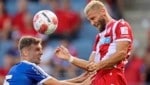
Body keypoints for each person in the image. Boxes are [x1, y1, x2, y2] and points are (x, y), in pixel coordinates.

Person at [55, 0, 133, 85]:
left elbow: (121, 53)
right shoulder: (99, 37)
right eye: (89, 21)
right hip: (97, 81)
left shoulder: (120, 25)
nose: (92, 23)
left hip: (113, 80)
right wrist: (70, 58)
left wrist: (98, 65)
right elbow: (90, 66)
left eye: (93, 18)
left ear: (103, 11)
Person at [3, 36, 92, 85]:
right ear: (26, 52)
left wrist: (79, 79)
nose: (41, 53)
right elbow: (57, 84)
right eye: (37, 49)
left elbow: (53, 83)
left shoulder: (15, 69)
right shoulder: (30, 67)